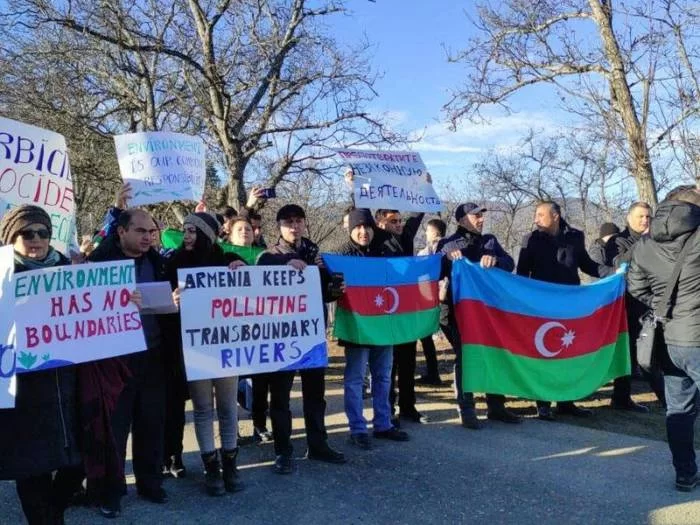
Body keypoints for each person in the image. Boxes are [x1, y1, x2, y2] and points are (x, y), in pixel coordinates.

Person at [0, 205, 84, 524]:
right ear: (11, 238)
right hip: (22, 393)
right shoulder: (2, 276)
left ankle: (54, 511)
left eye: (43, 232)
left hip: (68, 386)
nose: (36, 239)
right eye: (27, 233)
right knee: (32, 468)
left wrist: (123, 301)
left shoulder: (70, 270)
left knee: (78, 465)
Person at [89, 208, 170, 517]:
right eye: (140, 231)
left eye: (151, 231)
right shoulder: (101, 263)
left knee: (151, 422)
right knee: (115, 427)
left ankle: (150, 483)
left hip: (154, 355)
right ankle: (111, 491)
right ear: (121, 232)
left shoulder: (159, 263)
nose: (148, 236)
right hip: (115, 359)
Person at [257, 204, 346, 474]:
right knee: (281, 398)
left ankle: (318, 444)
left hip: (312, 336)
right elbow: (260, 280)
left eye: (298, 221)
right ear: (279, 227)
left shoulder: (315, 254)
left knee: (315, 396)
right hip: (282, 339)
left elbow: (325, 294)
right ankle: (283, 451)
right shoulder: (269, 256)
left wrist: (335, 288)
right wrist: (287, 264)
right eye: (288, 222)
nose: (294, 227)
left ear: (305, 224)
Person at [627, 186, 700, 492]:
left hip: (669, 339)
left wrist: (662, 307)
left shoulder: (644, 243)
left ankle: (684, 473)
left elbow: (635, 288)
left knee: (678, 410)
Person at [169, 212, 246, 496]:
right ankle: (211, 467)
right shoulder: (174, 263)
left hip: (224, 348)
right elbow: (162, 306)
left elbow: (250, 291)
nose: (186, 235)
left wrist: (242, 266)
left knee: (227, 409)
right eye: (184, 230)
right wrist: (172, 301)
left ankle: (231, 464)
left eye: (193, 231)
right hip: (194, 349)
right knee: (203, 409)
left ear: (207, 235)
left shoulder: (225, 260)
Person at [516, 201, 613, 421]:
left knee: (567, 354)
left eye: (541, 215)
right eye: (535, 215)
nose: (536, 219)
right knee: (544, 354)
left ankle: (566, 402)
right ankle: (542, 402)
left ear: (556, 216)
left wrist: (614, 273)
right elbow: (522, 274)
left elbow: (588, 265)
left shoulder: (575, 237)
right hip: (541, 309)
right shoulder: (530, 240)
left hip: (570, 308)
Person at [436, 203, 521, 429]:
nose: (481, 219)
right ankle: (467, 408)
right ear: (462, 220)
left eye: (482, 216)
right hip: (457, 312)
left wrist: (496, 261)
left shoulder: (489, 241)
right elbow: (435, 271)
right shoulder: (447, 244)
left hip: (489, 312)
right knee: (466, 358)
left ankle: (496, 406)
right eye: (476, 216)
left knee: (493, 355)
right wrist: (447, 260)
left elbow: (509, 264)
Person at [336, 208, 410, 449]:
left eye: (366, 227)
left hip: (383, 326)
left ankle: (383, 423)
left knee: (383, 376)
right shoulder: (341, 255)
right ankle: (357, 428)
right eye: (357, 227)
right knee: (355, 379)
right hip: (356, 328)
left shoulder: (384, 251)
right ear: (350, 229)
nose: (362, 231)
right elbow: (329, 288)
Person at [373, 208, 427, 424]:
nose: (399, 224)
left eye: (400, 220)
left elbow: (416, 216)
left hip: (406, 311)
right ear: (379, 223)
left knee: (408, 362)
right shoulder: (375, 241)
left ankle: (408, 406)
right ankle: (388, 409)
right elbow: (362, 215)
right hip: (385, 311)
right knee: (388, 364)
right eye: (393, 221)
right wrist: (353, 189)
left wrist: (423, 190)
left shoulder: (405, 237)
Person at [606, 202, 657, 412]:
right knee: (624, 350)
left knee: (644, 351)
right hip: (624, 304)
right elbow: (619, 264)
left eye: (648, 217)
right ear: (629, 218)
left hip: (649, 301)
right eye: (640, 217)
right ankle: (620, 396)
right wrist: (643, 241)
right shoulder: (618, 241)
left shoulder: (655, 240)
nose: (645, 221)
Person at [227, 216, 272, 443]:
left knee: (260, 381)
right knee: (231, 383)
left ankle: (259, 424)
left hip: (259, 328)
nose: (245, 231)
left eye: (248, 228)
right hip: (231, 329)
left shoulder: (265, 255)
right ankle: (231, 431)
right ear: (229, 234)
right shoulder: (221, 255)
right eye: (239, 229)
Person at [417, 218, 447, 385]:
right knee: (425, 337)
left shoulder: (443, 252)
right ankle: (433, 373)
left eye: (427, 231)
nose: (425, 234)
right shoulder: (425, 252)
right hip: (427, 300)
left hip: (439, 301)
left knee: (428, 336)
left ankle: (434, 373)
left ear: (435, 233)